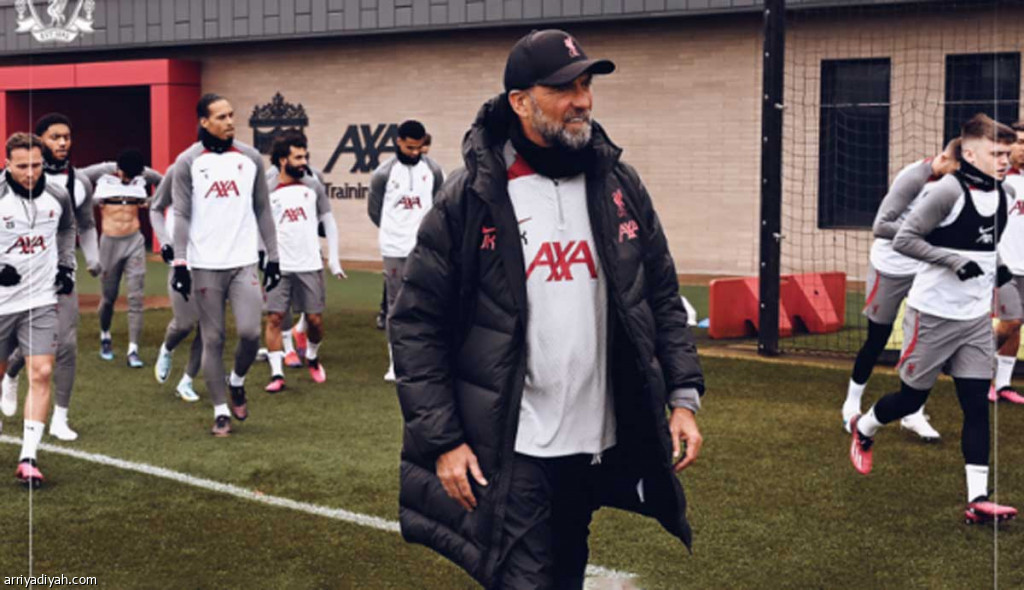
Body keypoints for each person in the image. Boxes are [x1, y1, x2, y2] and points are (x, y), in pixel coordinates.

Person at [390, 30, 705, 589]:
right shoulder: (472, 197)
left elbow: (658, 294)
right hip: (515, 444)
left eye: (585, 85)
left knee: (566, 573)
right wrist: (442, 441)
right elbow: (416, 324)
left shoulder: (618, 184)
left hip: (592, 441)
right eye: (563, 88)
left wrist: (682, 396)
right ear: (520, 101)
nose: (582, 100)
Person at [849, 114, 1018, 524]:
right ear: (970, 154)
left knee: (976, 406)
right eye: (996, 153)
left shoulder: (1005, 193)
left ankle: (978, 500)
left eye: (1007, 153)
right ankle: (865, 427)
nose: (1004, 161)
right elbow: (904, 238)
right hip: (932, 317)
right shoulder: (945, 191)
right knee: (910, 399)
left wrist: (1000, 271)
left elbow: (986, 244)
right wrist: (951, 261)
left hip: (974, 320)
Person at [171, 94, 281, 436]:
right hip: (205, 265)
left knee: (250, 333)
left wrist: (273, 257)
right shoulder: (187, 162)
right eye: (221, 117)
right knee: (213, 338)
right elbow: (181, 214)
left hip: (243, 262)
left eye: (232, 115)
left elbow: (263, 209)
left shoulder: (250, 158)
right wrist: (180, 261)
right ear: (204, 122)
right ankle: (220, 410)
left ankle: (237, 381)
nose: (230, 121)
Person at [841, 141, 960, 440]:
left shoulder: (958, 185)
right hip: (890, 267)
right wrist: (925, 233)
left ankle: (913, 413)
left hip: (924, 268)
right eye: (956, 170)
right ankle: (851, 403)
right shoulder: (914, 177)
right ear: (945, 158)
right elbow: (881, 226)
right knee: (877, 338)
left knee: (921, 343)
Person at [0, 113, 100, 442]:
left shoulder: (75, 184)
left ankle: (60, 417)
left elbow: (78, 225)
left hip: (54, 280)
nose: (62, 142)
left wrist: (71, 264)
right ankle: (11, 375)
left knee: (65, 345)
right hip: (11, 288)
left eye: (67, 136)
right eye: (55, 136)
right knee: (17, 346)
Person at [0, 132, 76, 487]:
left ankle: (28, 457)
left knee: (43, 372)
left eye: (36, 165)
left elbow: (67, 227)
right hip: (2, 303)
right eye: (22, 167)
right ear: (7, 164)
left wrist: (66, 265)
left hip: (41, 299)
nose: (30, 173)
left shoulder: (58, 194)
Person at [263, 130, 345, 392]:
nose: (304, 162)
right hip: (279, 265)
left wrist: (334, 260)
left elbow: (329, 222)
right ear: (283, 160)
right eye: (298, 158)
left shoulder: (313, 186)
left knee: (315, 321)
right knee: (275, 318)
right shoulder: (267, 188)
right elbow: (258, 225)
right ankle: (277, 374)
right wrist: (263, 257)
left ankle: (312, 355)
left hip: (310, 264)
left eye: (305, 156)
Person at [368, 119, 444, 382]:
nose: (414, 152)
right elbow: (375, 210)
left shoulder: (433, 170)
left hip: (424, 247)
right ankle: (396, 362)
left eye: (418, 148)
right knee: (396, 305)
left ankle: (426, 358)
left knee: (427, 302)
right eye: (410, 147)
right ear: (398, 142)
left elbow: (438, 205)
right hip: (394, 247)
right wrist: (394, 231)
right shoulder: (383, 173)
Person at [80, 149, 163, 367]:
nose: (127, 180)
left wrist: (152, 200)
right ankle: (105, 335)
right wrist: (90, 201)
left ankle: (133, 350)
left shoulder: (143, 174)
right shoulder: (103, 171)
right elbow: (77, 178)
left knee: (136, 297)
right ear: (119, 169)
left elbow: (164, 182)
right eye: (125, 175)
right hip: (110, 243)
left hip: (134, 241)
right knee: (109, 297)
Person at [151, 162, 203, 402]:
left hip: (213, 262)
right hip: (182, 262)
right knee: (184, 324)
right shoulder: (179, 169)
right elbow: (155, 208)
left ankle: (187, 380)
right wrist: (164, 241)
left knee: (210, 329)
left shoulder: (227, 170)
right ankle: (167, 348)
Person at [991, 120, 1024, 404]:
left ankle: (1002, 385)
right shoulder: (997, 179)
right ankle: (974, 367)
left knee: (1017, 325)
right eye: (1021, 143)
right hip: (1004, 266)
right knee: (1009, 321)